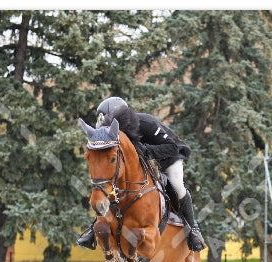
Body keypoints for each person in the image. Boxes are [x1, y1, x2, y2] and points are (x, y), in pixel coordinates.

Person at [77, 96, 206, 252]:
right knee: (112, 186)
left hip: (169, 157)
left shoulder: (146, 123)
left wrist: (147, 151)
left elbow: (172, 148)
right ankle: (94, 228)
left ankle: (193, 229)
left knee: (177, 186)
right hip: (143, 159)